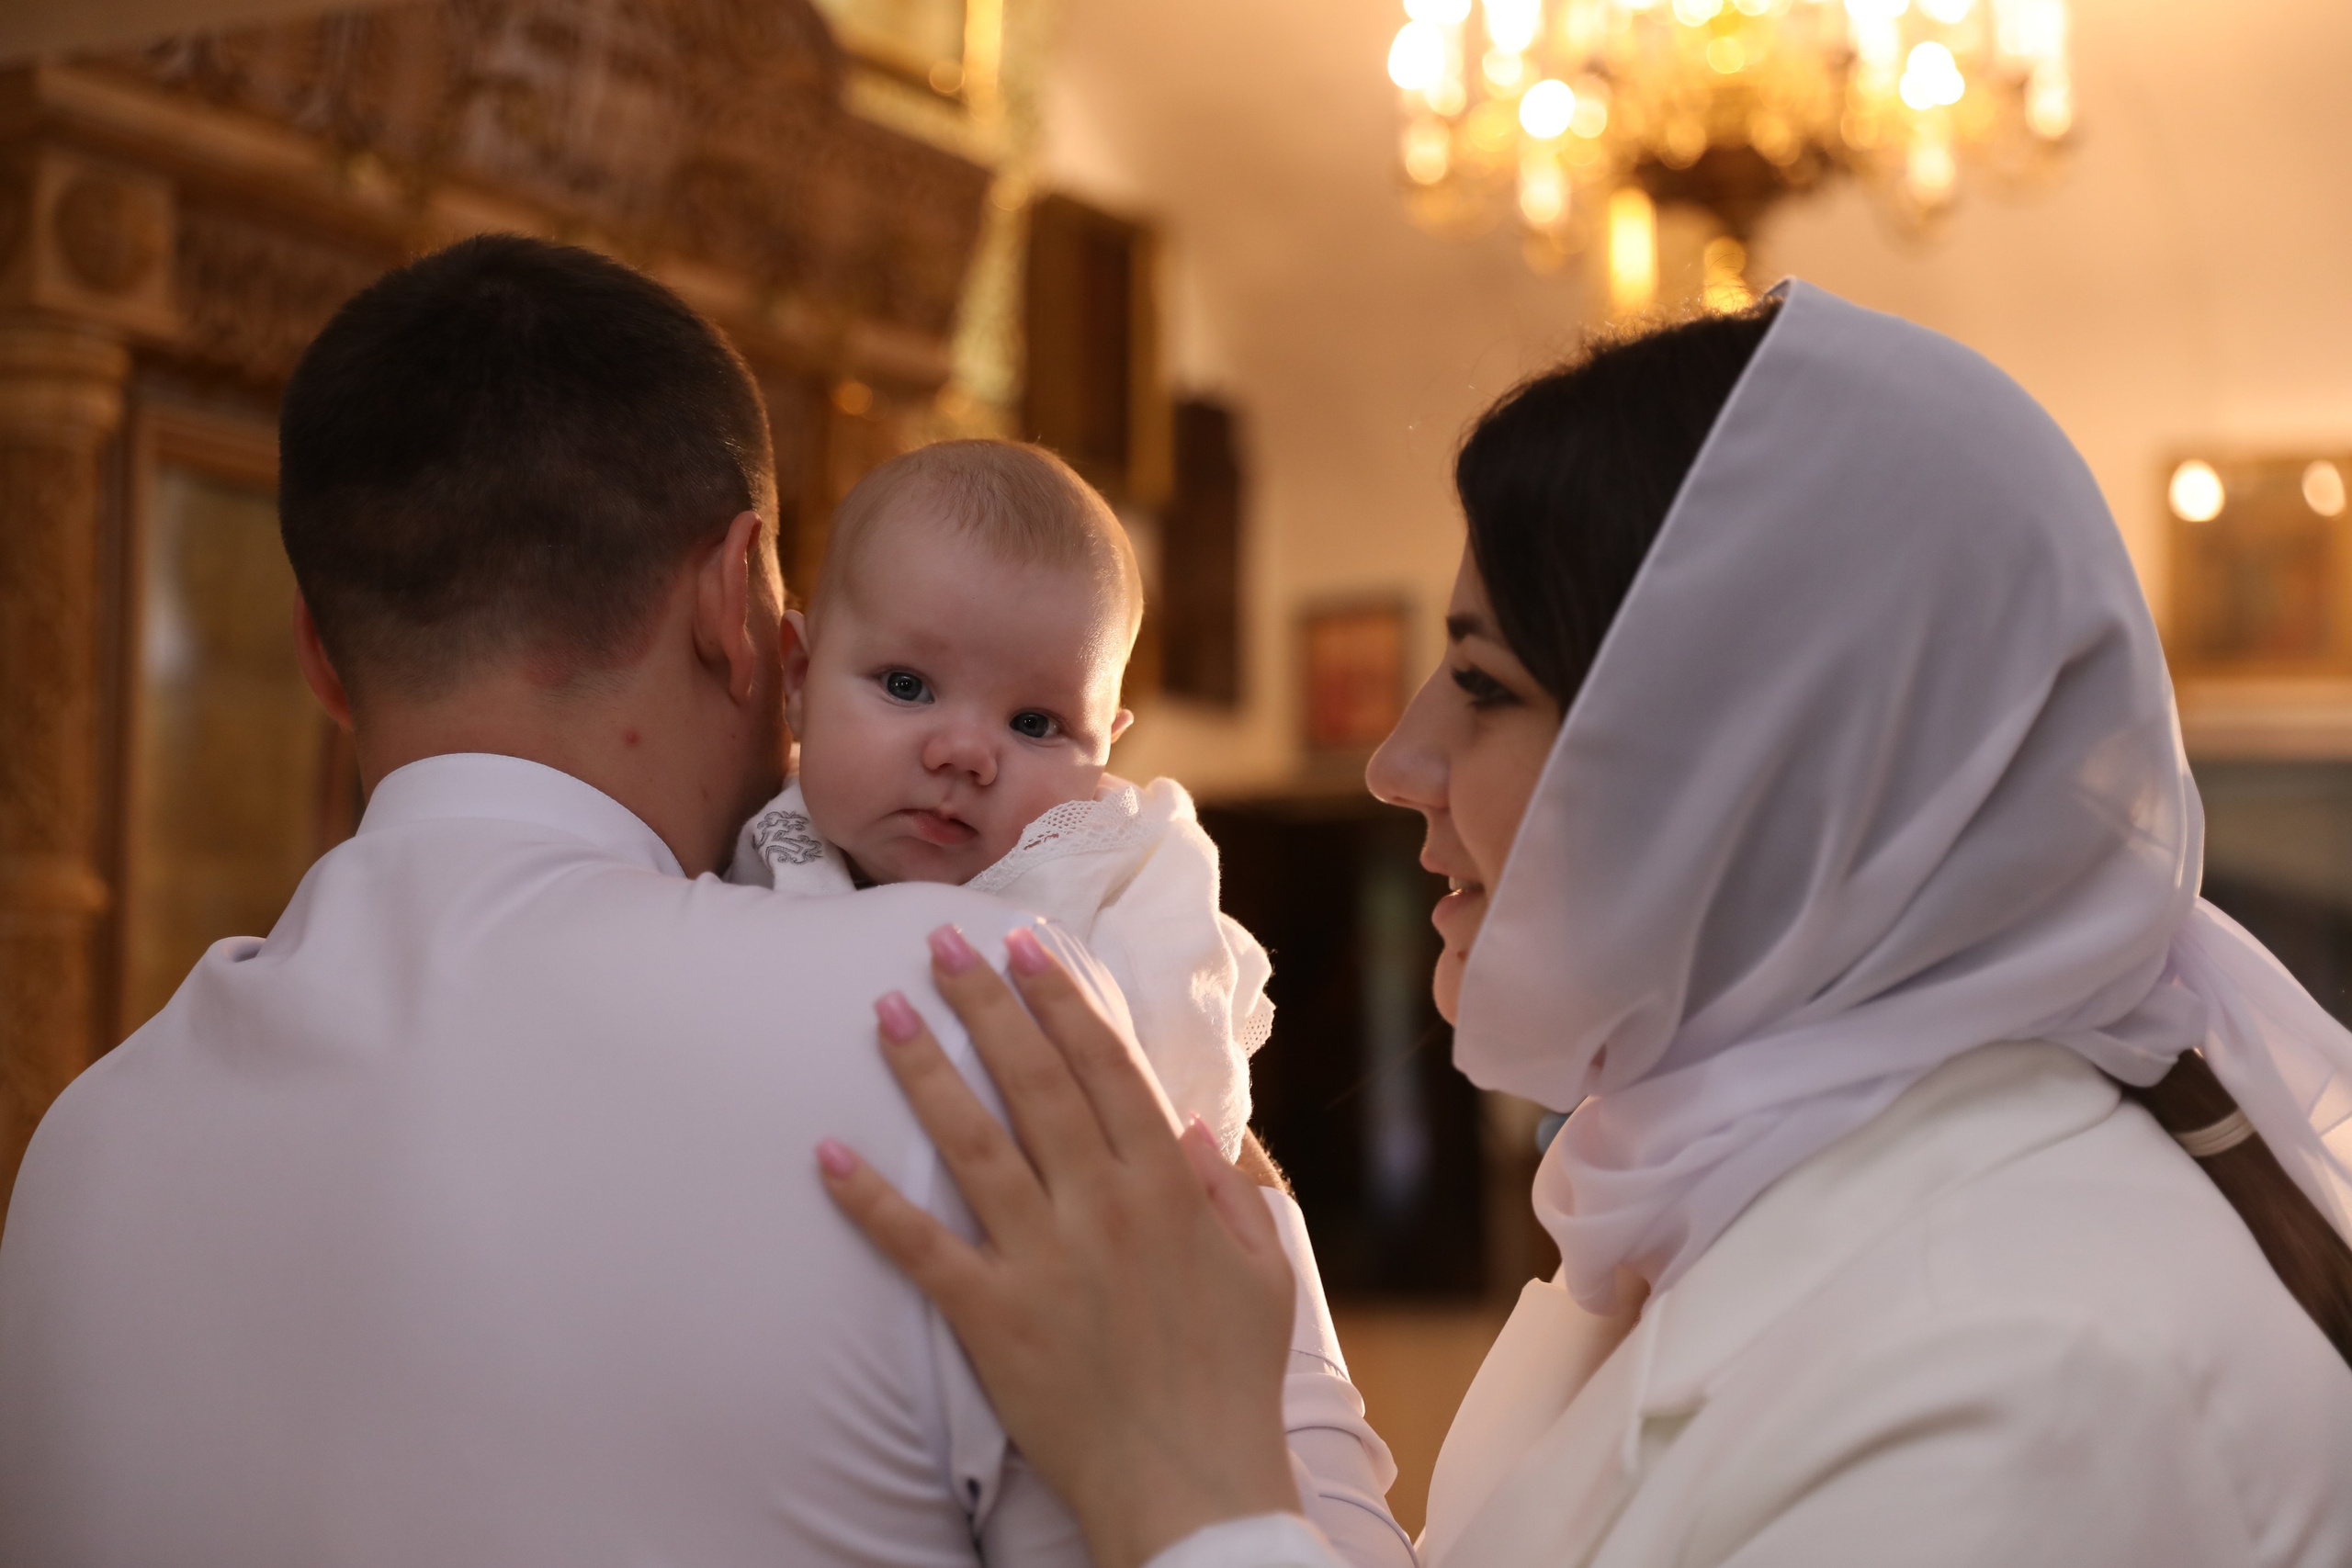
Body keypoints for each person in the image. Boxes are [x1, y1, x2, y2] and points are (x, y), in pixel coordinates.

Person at [822, 281, 2352, 1568]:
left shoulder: (2030, 1372)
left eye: (1485, 685)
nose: (1395, 759)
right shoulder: (1714, 1194)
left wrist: (1179, 1481)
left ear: (1753, 771)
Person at [0, 233, 1405, 1567]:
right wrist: (1201, 1124)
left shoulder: (76, 1151)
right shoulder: (962, 1014)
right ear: (740, 605)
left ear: (318, 657)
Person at [728, 438, 1273, 1161]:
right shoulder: (751, 824)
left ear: (1105, 749)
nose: (966, 755)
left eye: (1034, 724)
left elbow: (1181, 1093)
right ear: (797, 676)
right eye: (906, 685)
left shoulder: (1121, 875)